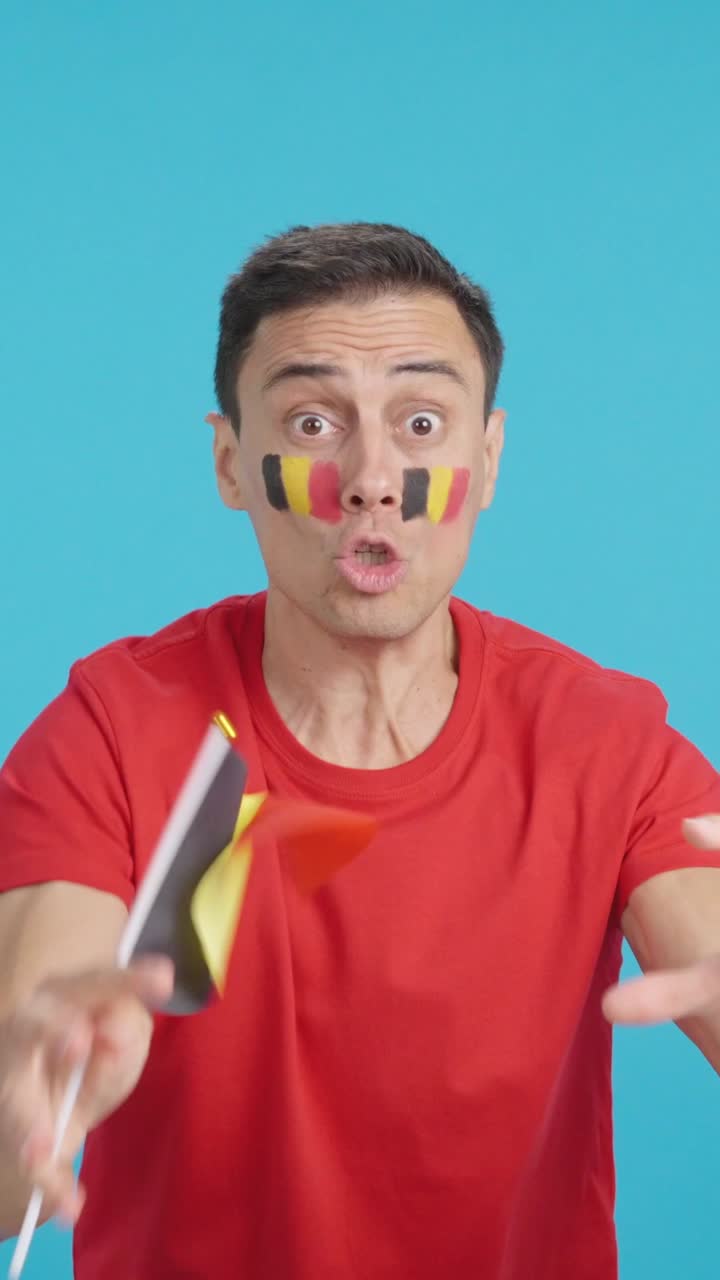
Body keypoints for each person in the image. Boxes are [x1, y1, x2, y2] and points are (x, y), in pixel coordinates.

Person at [0, 223, 719, 1280]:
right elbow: (30, 1075)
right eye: (310, 420)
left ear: (486, 458)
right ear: (232, 463)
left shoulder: (601, 738)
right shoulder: (120, 728)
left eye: (421, 422)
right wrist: (36, 1088)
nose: (372, 477)